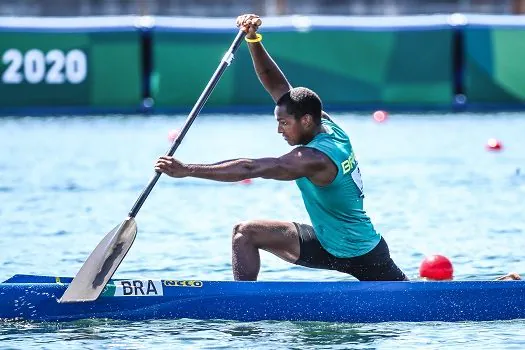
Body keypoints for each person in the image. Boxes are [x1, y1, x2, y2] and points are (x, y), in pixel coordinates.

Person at [154, 14, 408, 282]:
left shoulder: (312, 158)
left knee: (408, 300)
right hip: (326, 242)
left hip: (363, 254)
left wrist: (188, 170)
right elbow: (278, 86)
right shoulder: (328, 126)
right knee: (245, 232)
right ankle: (244, 307)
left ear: (306, 120)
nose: (279, 130)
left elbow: (250, 168)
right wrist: (253, 39)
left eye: (284, 123)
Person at [419, 254, 521, 281]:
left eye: (440, 280)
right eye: (436, 280)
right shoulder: (414, 289)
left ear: (451, 279)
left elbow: (482, 291)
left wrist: (506, 278)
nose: (438, 284)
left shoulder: (454, 292)